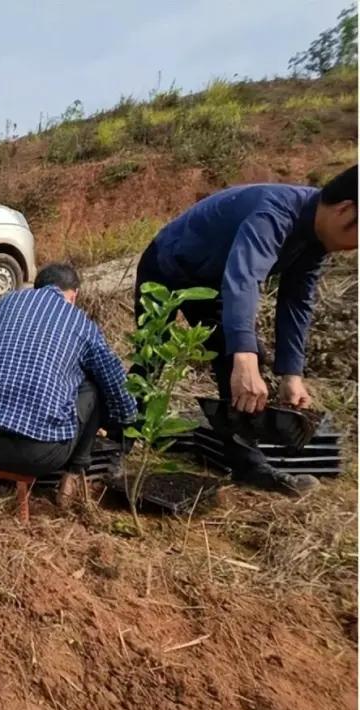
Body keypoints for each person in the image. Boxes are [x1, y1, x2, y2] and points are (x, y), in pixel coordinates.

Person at [133, 165, 357, 494]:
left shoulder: (315, 241)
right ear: (346, 209)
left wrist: (291, 374)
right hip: (166, 265)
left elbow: (296, 302)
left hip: (214, 283)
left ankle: (248, 465)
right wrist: (245, 356)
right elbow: (244, 277)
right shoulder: (275, 213)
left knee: (235, 361)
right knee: (152, 356)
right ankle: (123, 440)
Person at [0, 263, 137, 502]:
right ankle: (73, 476)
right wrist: (126, 420)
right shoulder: (81, 324)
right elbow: (115, 381)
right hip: (40, 457)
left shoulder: (5, 304)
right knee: (93, 386)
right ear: (73, 295)